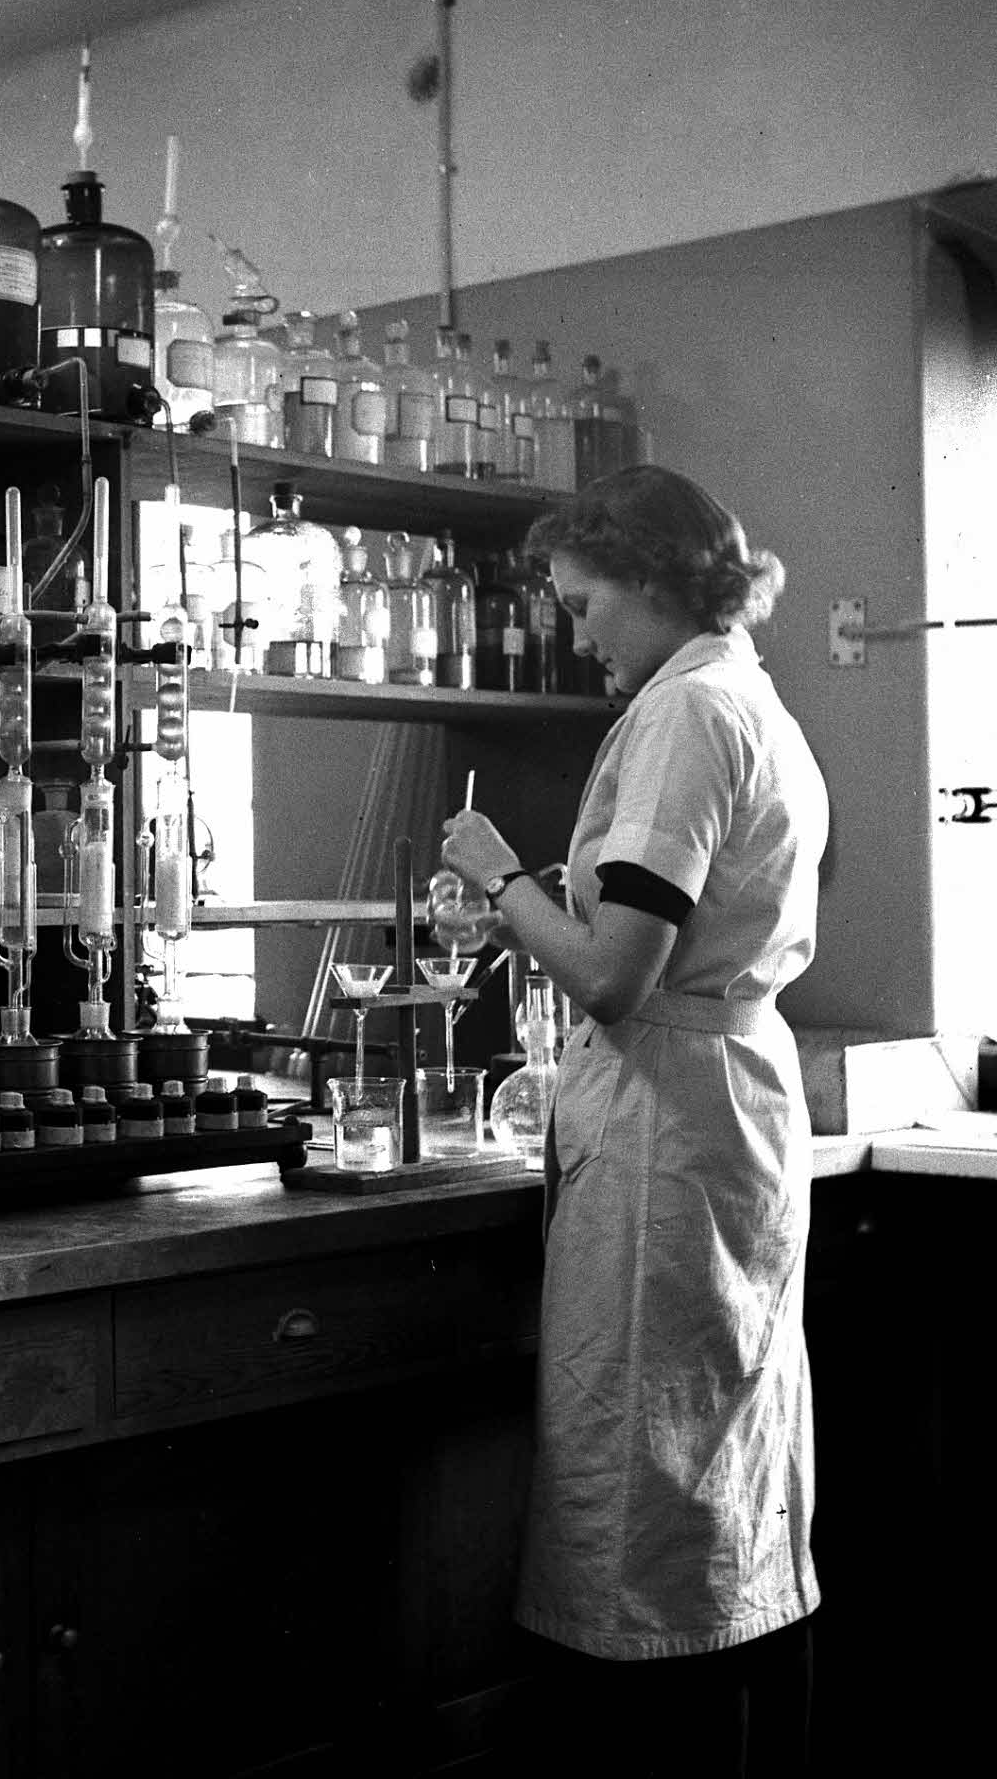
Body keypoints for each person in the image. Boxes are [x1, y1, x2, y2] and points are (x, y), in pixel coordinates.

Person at [439, 465, 829, 1778]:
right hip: (721, 1111)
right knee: (712, 1477)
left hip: (676, 1128)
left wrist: (501, 880)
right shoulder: (742, 701)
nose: (578, 631)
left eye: (588, 601)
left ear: (657, 584)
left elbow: (613, 974)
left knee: (655, 1494)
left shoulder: (687, 717)